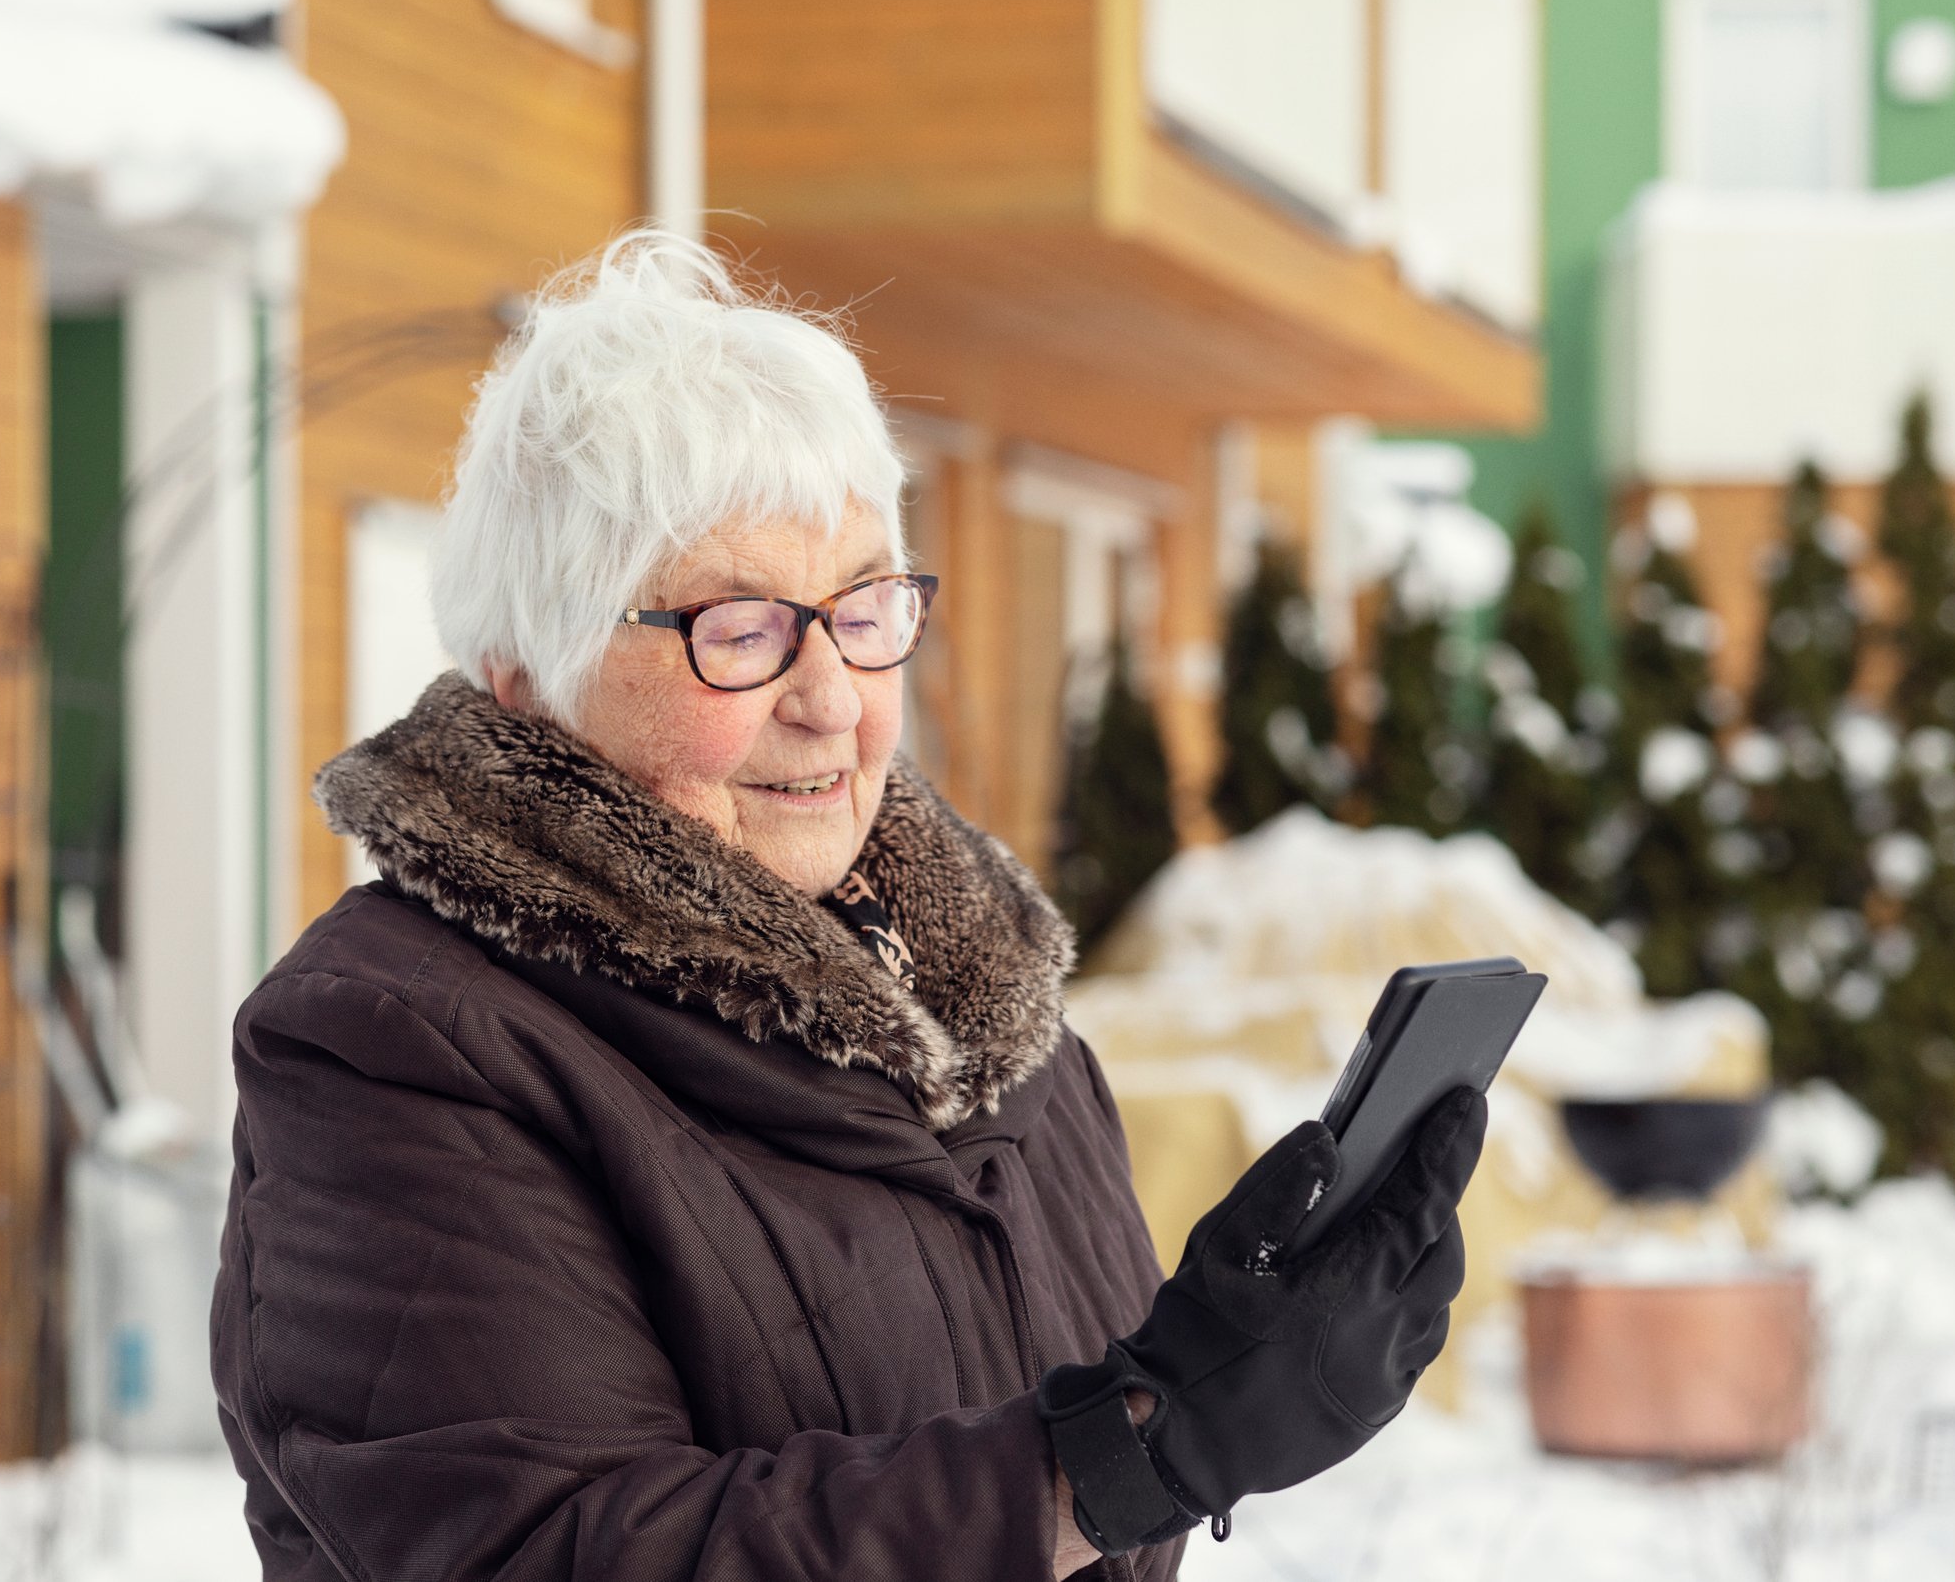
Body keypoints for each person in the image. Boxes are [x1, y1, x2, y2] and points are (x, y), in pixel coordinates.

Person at [211, 232, 1483, 1581]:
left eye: (864, 606)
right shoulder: (395, 1048)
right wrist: (1127, 1453)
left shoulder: (990, 1008)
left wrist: (1230, 1367)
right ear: (532, 674)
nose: (832, 698)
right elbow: (556, 1554)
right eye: (742, 629)